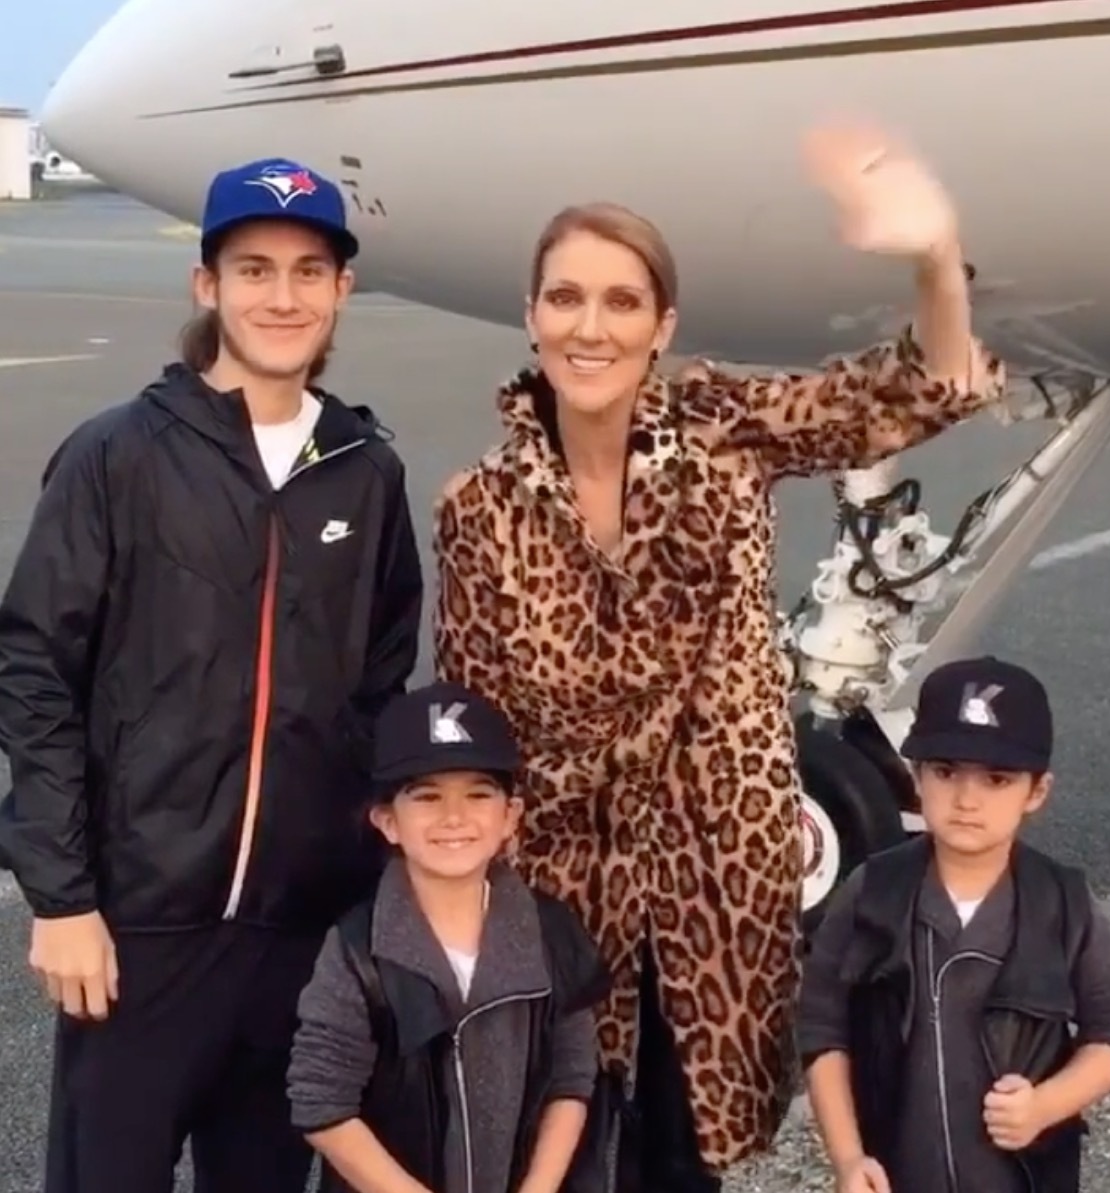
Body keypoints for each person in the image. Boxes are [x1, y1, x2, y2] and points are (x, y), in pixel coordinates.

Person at [431, 123, 1008, 1191]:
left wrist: (934, 255)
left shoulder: (719, 428)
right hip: (564, 887)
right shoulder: (478, 508)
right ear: (530, 315)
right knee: (560, 1152)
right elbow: (476, 730)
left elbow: (914, 388)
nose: (589, 326)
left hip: (718, 872)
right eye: (565, 298)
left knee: (689, 1158)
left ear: (664, 325)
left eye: (620, 301)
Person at [0, 156, 424, 1193]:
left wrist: (364, 895)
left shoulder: (366, 473)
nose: (282, 296)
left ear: (340, 292)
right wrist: (60, 897)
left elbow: (379, 685)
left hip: (298, 938)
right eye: (253, 269)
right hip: (139, 931)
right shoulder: (117, 456)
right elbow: (34, 671)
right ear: (208, 285)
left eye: (307, 271)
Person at [798, 655, 1110, 1193]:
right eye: (944, 772)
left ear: (1036, 791)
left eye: (996, 778)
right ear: (915, 779)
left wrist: (1045, 1105)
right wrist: (848, 1159)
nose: (967, 800)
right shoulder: (870, 894)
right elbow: (822, 1032)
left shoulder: (1063, 904)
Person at [287, 680, 611, 1193]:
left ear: (511, 817)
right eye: (427, 796)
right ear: (387, 821)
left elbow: (573, 1076)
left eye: (479, 793)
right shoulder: (356, 952)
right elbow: (321, 1104)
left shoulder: (551, 932)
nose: (454, 817)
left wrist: (539, 1188)